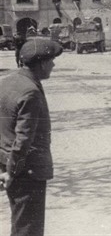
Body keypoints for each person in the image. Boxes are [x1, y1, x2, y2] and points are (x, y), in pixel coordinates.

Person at [0, 39, 63, 236]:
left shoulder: (8, 82)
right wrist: (12, 171)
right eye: (51, 60)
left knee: (20, 224)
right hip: (27, 170)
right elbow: (23, 138)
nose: (53, 65)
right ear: (42, 63)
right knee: (28, 229)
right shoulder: (31, 92)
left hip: (11, 164)